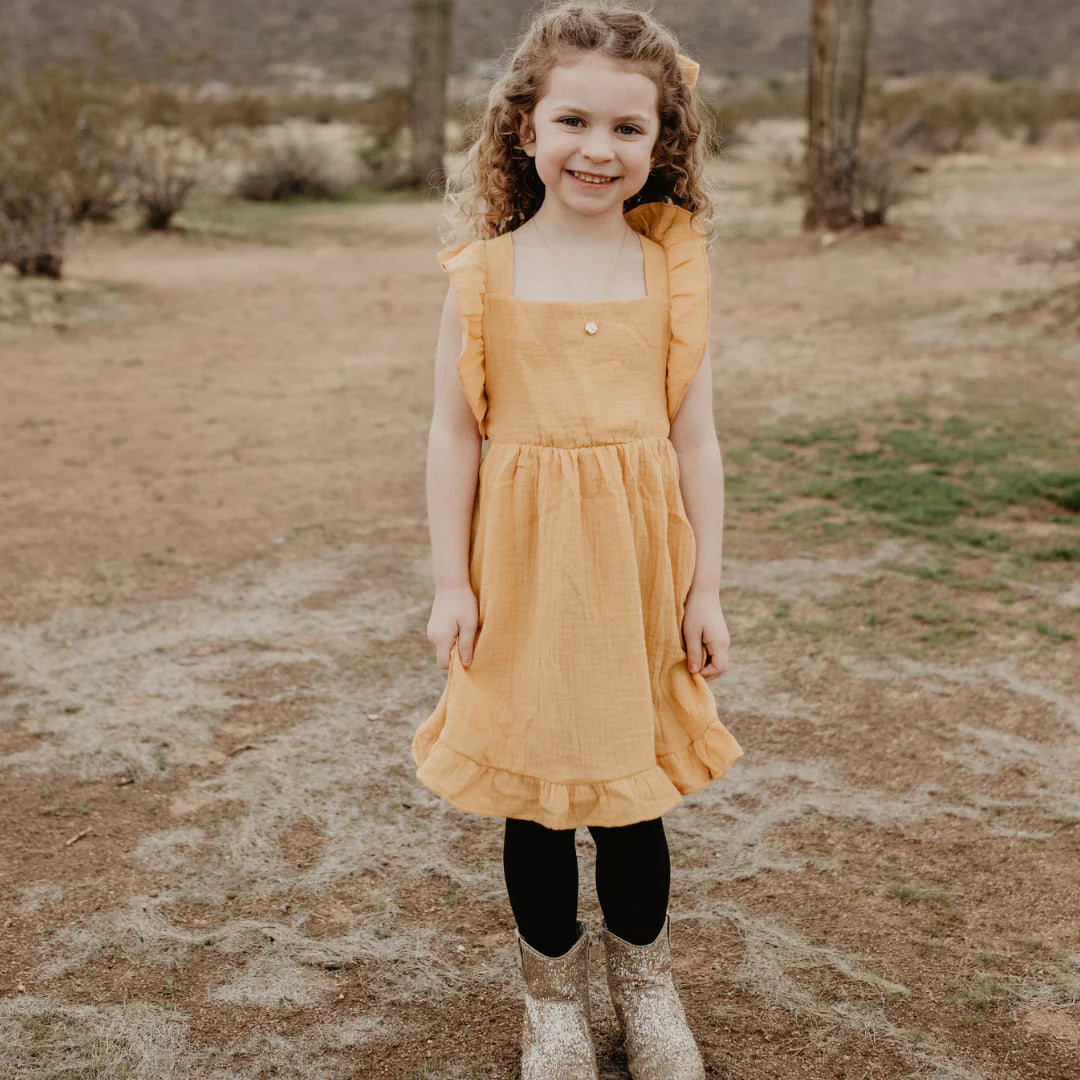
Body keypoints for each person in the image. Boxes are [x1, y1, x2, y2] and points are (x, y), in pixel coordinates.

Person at [413, 3, 743, 1077]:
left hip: (640, 572)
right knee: (538, 799)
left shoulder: (670, 270)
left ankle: (645, 992)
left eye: (628, 130)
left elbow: (695, 440)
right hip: (522, 571)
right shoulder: (485, 275)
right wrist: (451, 583)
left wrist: (707, 590)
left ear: (661, 144)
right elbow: (454, 435)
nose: (598, 150)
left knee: (633, 795)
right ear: (525, 129)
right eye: (573, 121)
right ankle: (551, 1000)